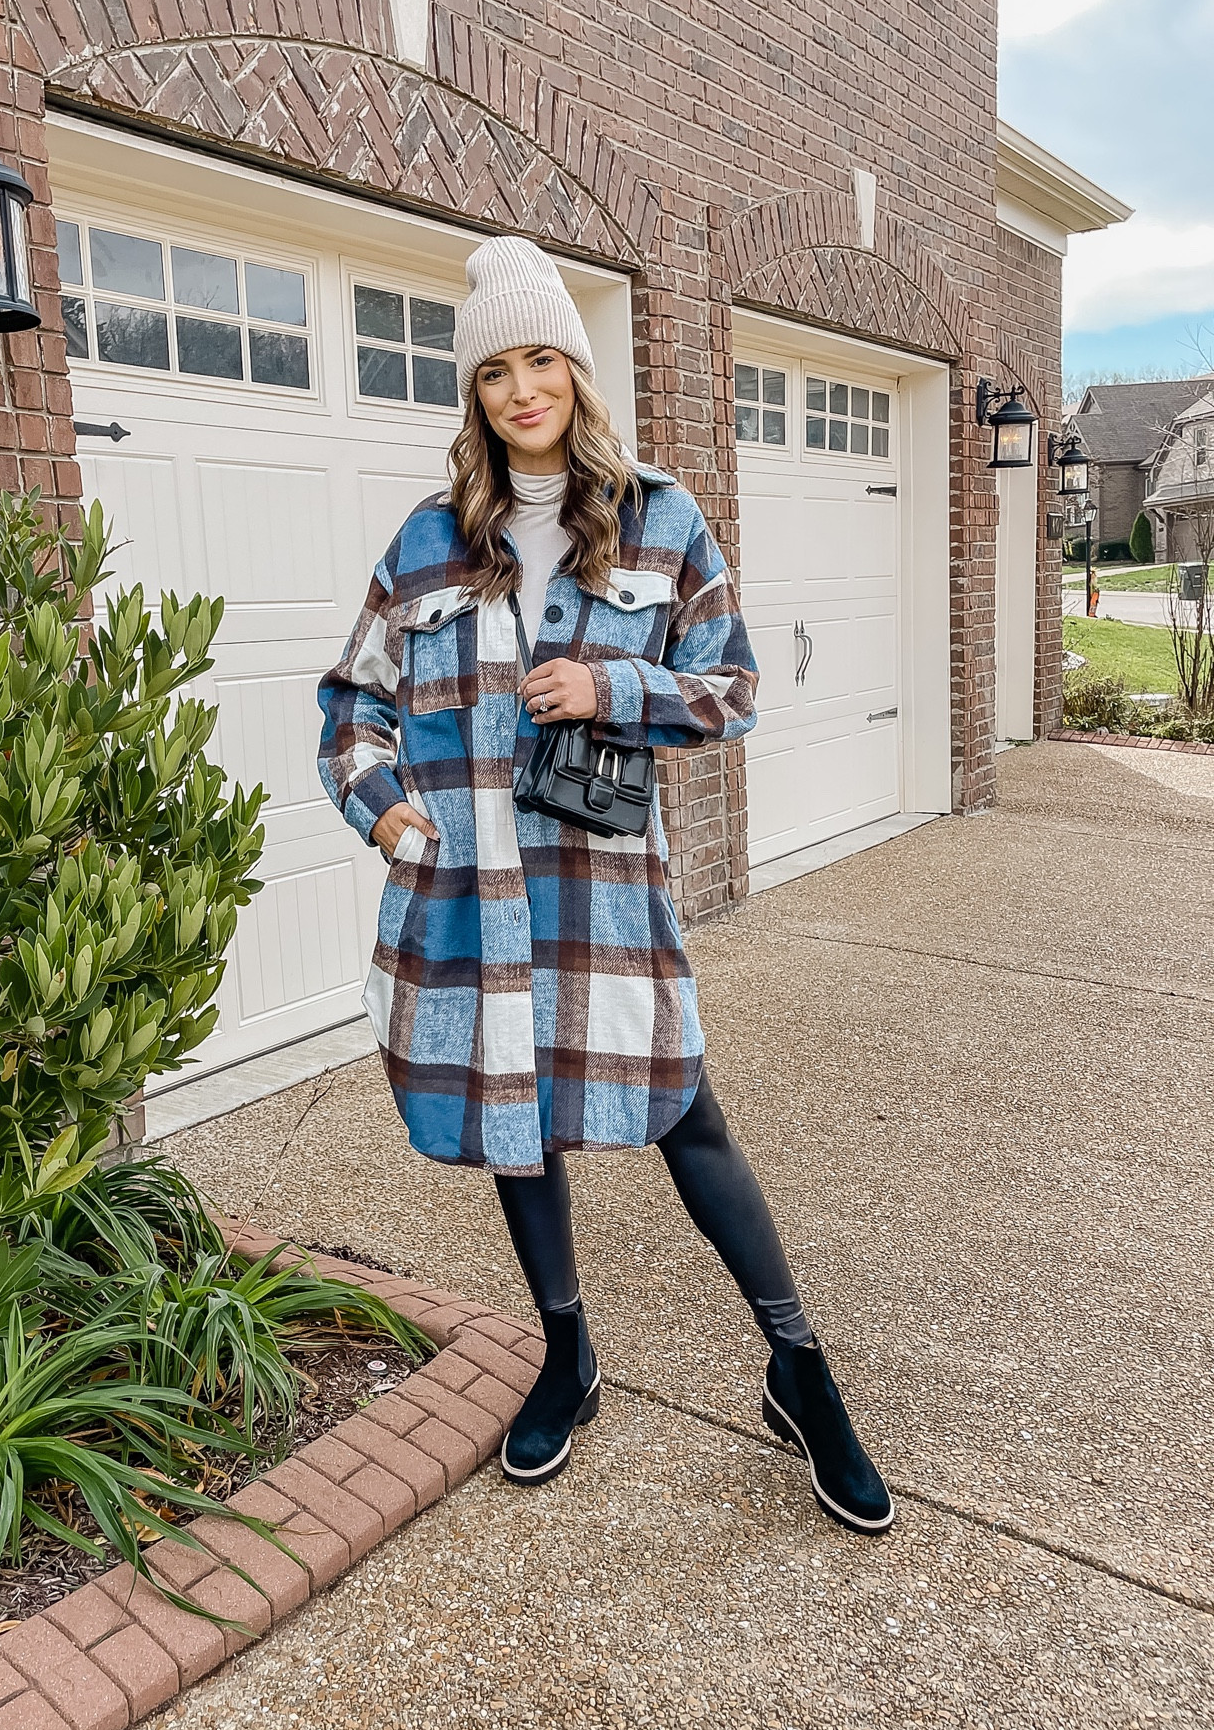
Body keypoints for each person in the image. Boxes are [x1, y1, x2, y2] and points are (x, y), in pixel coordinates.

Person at [317, 237, 892, 1534]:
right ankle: (566, 1354)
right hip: (469, 905)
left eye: (543, 361)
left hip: (605, 903)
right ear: (474, 394)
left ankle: (799, 1368)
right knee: (519, 1129)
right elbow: (353, 704)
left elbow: (734, 687)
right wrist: (388, 811)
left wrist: (614, 688)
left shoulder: (659, 517)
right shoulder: (425, 547)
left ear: (575, 372)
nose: (523, 390)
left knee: (691, 1122)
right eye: (497, 371)